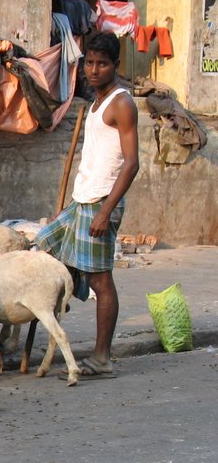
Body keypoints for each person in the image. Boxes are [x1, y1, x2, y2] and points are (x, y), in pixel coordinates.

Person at [36, 31, 139, 377]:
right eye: (90, 63)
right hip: (83, 199)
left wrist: (107, 211)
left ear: (115, 66)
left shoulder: (121, 104)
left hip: (101, 204)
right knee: (44, 244)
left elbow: (131, 162)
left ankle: (102, 358)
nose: (94, 70)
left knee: (101, 282)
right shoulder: (95, 102)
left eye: (102, 64)